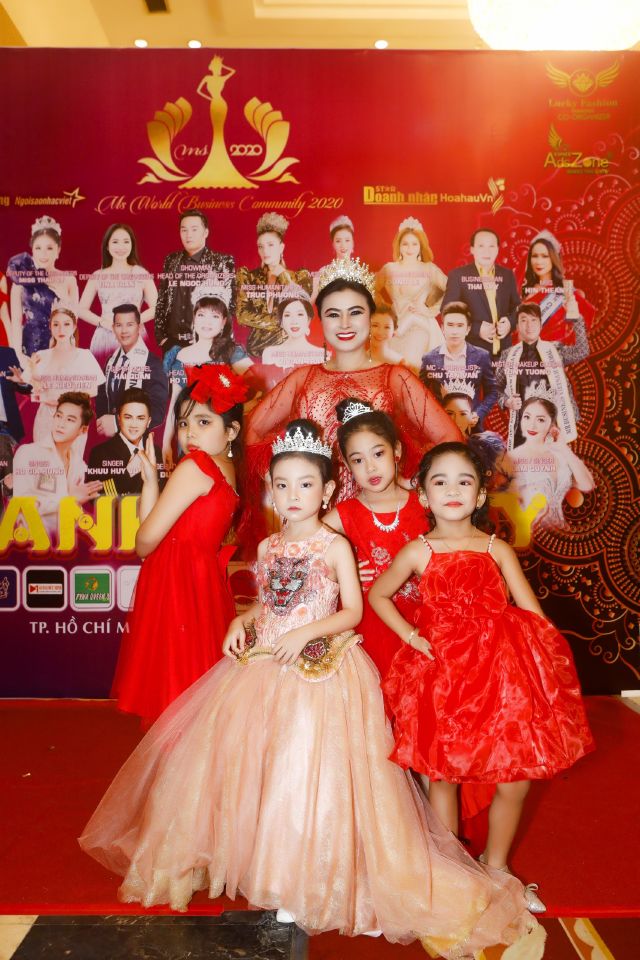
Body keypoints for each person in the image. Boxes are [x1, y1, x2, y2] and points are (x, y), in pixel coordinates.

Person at [80, 420, 543, 957]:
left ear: (327, 492)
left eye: (305, 485)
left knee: (309, 773)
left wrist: (306, 633)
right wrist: (241, 621)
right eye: (282, 485)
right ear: (270, 491)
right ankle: (271, 871)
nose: (293, 495)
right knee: (258, 770)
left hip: (324, 675)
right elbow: (272, 602)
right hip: (264, 671)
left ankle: (311, 878)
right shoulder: (269, 546)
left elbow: (352, 611)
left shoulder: (334, 545)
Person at [369, 442, 595, 913]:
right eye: (440, 481)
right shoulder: (418, 551)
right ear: (424, 496)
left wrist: (545, 670)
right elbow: (379, 595)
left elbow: (532, 612)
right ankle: (451, 871)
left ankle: (497, 867)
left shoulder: (496, 548)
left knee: (516, 779)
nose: (452, 490)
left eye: (464, 481)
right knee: (443, 776)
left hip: (502, 677)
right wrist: (410, 635)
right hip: (444, 678)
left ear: (479, 495)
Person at [242, 257, 461, 551]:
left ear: (370, 315)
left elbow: (450, 438)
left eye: (355, 312)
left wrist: (412, 483)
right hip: (315, 524)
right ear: (320, 320)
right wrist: (282, 481)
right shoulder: (303, 379)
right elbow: (251, 432)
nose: (344, 324)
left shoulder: (395, 377)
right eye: (333, 314)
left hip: (378, 526)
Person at [110, 364, 247, 724]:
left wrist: (152, 494)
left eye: (204, 422)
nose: (190, 433)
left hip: (176, 585)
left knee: (174, 696)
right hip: (199, 583)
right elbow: (152, 534)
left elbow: (144, 544)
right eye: (184, 423)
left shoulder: (196, 466)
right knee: (194, 695)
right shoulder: (225, 471)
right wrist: (149, 480)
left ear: (231, 431)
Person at [323, 399, 428, 682]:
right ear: (347, 465)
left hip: (422, 622)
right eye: (358, 460)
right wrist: (341, 573)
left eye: (378, 454)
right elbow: (304, 550)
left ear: (396, 451)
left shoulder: (424, 503)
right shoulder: (344, 514)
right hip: (369, 629)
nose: (370, 468)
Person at [162, 284, 252, 468]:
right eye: (201, 315)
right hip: (191, 436)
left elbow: (254, 389)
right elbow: (174, 405)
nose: (207, 322)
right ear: (194, 318)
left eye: (215, 316)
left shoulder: (231, 352)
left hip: (219, 438)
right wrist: (166, 443)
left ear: (224, 321)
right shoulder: (180, 355)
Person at [496, 302, 589, 449]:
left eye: (534, 320)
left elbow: (581, 351)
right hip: (521, 429)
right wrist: (507, 401)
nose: (529, 325)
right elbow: (495, 387)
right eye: (524, 320)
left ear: (540, 325)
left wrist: (575, 317)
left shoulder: (555, 350)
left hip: (553, 427)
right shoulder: (508, 355)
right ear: (517, 326)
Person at [9, 302, 104, 443]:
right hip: (45, 420)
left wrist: (65, 400)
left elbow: (93, 390)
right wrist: (21, 382)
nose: (61, 329)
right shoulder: (40, 356)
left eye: (66, 324)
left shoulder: (85, 356)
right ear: (50, 327)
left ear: (74, 327)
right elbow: (30, 390)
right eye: (56, 324)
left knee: (70, 456)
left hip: (73, 421)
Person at [12, 392, 102, 536]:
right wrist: (70, 500)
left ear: (83, 430)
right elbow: (22, 506)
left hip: (67, 543)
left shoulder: (79, 465)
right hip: (33, 543)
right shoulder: (28, 453)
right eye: (59, 416)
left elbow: (73, 514)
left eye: (70, 420)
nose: (61, 424)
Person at [154, 209, 235, 355]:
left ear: (205, 232)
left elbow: (230, 306)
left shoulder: (222, 262)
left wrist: (215, 342)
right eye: (184, 230)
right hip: (172, 343)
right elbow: (162, 300)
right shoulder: (171, 260)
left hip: (206, 344)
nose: (188, 235)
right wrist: (162, 338)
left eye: (194, 229)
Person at [508, 394, 595, 529]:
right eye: (527, 417)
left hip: (561, 532)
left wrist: (563, 447)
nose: (532, 425)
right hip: (531, 533)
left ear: (551, 423)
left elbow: (587, 485)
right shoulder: (512, 458)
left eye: (540, 419)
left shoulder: (559, 454)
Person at [78, 223, 158, 368]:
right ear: (107, 246)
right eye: (115, 242)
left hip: (134, 337)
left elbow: (157, 307)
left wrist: (134, 322)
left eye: (126, 241)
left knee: (135, 378)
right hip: (105, 337)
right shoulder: (98, 276)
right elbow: (81, 310)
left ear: (132, 245)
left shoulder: (141, 273)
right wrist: (103, 322)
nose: (121, 247)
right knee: (103, 378)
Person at [236, 212, 313, 358]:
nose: (265, 251)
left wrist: (283, 275)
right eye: (261, 246)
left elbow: (298, 308)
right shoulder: (249, 277)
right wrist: (282, 321)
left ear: (281, 247)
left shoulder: (299, 277)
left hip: (290, 351)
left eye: (271, 245)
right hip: (256, 350)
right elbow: (242, 316)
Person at [375, 217, 446, 371]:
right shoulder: (390, 268)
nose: (410, 248)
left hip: (419, 325)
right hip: (394, 326)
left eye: (414, 244)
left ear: (421, 246)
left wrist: (429, 310)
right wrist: (384, 309)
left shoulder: (429, 269)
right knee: (392, 371)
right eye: (405, 244)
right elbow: (370, 288)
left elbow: (452, 289)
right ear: (399, 246)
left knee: (412, 370)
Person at [7, 215, 78, 357]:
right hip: (30, 347)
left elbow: (74, 319)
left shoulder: (68, 279)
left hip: (60, 346)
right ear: (32, 250)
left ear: (58, 250)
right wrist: (19, 356)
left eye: (49, 248)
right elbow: (16, 322)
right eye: (38, 248)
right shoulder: (21, 280)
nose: (43, 253)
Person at [442, 229, 520, 356]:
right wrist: (477, 329)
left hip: (505, 354)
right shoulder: (458, 275)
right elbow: (447, 312)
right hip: (471, 355)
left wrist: (510, 324)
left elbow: (517, 307)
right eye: (481, 246)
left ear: (497, 249)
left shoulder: (507, 275)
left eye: (491, 246)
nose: (486, 251)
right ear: (472, 249)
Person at [420, 301, 498, 429]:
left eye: (460, 326)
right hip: (440, 429)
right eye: (450, 325)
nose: (454, 331)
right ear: (442, 328)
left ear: (468, 329)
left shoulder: (481, 356)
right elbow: (420, 393)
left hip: (472, 428)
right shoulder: (429, 358)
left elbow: (493, 392)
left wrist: (478, 413)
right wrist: (433, 415)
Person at [96, 304, 168, 438]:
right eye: (119, 325)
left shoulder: (154, 364)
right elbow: (102, 397)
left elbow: (158, 411)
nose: (124, 331)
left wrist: (117, 423)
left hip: (138, 440)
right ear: (113, 328)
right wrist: (104, 423)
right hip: (111, 440)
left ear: (139, 328)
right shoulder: (111, 361)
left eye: (129, 325)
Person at [520, 230, 595, 346]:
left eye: (545, 256)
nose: (539, 261)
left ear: (553, 258)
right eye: (535, 256)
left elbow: (585, 321)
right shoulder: (524, 289)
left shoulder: (565, 290)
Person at [87, 387, 163, 497]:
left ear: (148, 422)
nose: (134, 424)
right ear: (119, 419)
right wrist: (129, 472)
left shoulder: (155, 451)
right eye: (128, 417)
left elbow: (161, 492)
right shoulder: (100, 452)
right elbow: (95, 496)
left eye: (140, 418)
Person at [261, 285, 325, 368]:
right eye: (287, 315)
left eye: (300, 314)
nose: (294, 321)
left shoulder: (321, 355)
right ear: (281, 322)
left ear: (308, 319)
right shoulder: (270, 354)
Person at [0, 345, 28, 494]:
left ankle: (8, 489)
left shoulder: (7, 353)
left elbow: (27, 388)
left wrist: (21, 382)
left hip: (4, 426)